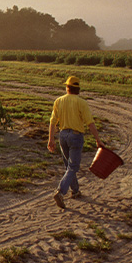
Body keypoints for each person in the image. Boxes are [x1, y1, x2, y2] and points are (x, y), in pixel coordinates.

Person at [47, 76, 103, 209]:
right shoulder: (81, 103)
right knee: (73, 167)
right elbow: (90, 123)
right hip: (76, 136)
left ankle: (76, 191)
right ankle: (61, 192)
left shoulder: (58, 101)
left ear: (67, 88)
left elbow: (53, 121)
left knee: (69, 166)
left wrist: (50, 139)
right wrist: (98, 140)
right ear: (78, 89)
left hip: (62, 135)